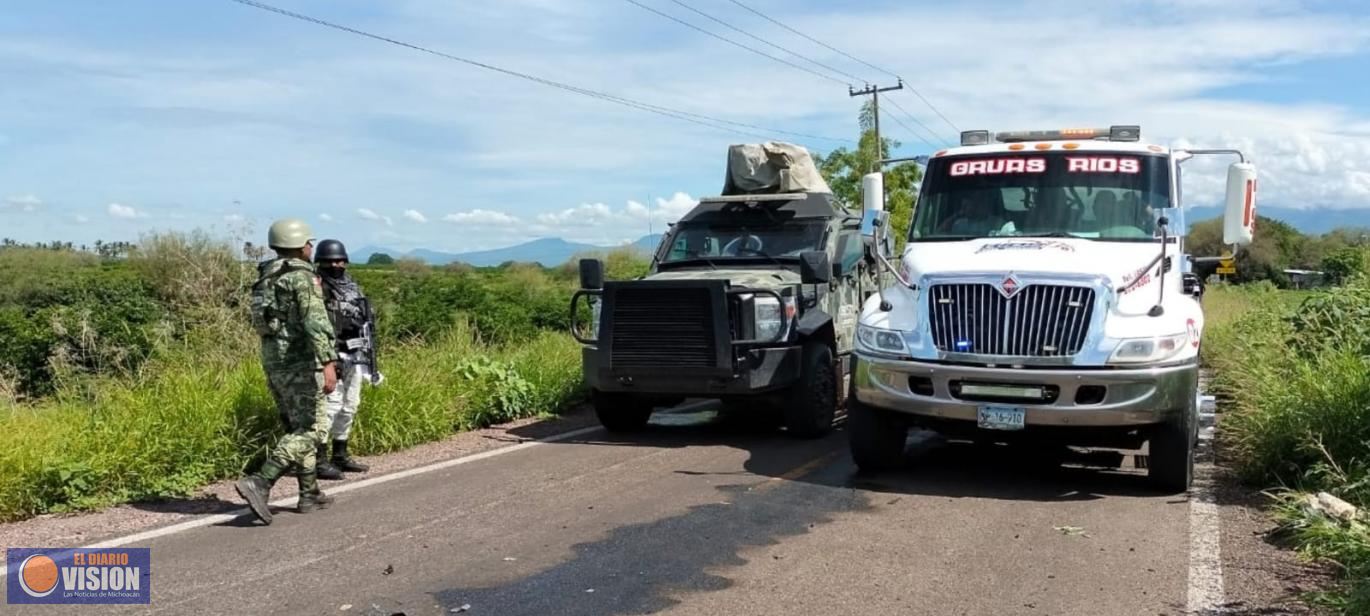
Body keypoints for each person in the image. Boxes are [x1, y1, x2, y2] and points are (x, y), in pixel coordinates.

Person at [235, 218, 340, 525]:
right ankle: (261, 481)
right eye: (309, 242)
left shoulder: (267, 275)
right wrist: (329, 363)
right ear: (299, 244)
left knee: (297, 426)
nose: (311, 247)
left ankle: (309, 493)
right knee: (313, 430)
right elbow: (315, 321)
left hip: (273, 359)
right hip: (300, 360)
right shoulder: (300, 277)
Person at [313, 239, 383, 480]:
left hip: (355, 353)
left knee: (350, 405)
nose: (336, 264)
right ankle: (319, 461)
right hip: (331, 355)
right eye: (331, 261)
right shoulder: (317, 287)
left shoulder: (352, 286)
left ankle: (340, 455)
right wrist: (327, 359)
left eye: (340, 260)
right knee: (330, 407)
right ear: (320, 262)